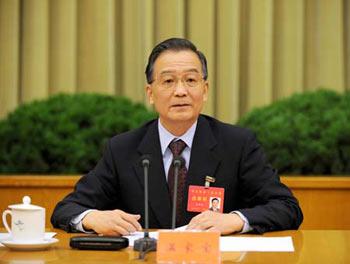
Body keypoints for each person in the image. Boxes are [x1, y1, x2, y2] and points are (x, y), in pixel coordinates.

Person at [51, 38, 303, 236]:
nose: (180, 91)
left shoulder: (237, 144)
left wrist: (235, 220)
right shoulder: (123, 149)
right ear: (150, 93)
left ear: (204, 90)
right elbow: (66, 210)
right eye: (168, 81)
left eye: (191, 80)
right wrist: (93, 218)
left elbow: (287, 208)